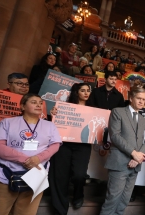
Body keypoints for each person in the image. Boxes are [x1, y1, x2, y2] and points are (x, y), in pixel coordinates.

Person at [0, 93, 61, 215]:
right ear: (23, 106)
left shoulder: (50, 125)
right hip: (5, 176)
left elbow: (55, 145)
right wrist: (26, 159)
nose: (38, 105)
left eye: (40, 103)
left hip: (35, 177)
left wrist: (38, 159)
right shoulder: (7, 123)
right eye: (34, 102)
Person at [100, 87, 145, 215]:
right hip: (119, 163)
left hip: (135, 165)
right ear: (131, 98)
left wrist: (136, 158)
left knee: (124, 202)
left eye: (143, 99)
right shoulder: (118, 112)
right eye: (139, 98)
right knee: (112, 201)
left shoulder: (144, 120)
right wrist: (133, 153)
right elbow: (115, 136)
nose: (141, 102)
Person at [49, 83, 94, 214]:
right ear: (76, 92)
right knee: (60, 176)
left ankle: (78, 193)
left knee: (80, 175)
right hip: (64, 144)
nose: (86, 93)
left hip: (83, 146)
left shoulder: (94, 110)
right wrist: (53, 115)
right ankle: (60, 209)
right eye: (82, 90)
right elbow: (53, 125)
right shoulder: (63, 107)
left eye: (88, 91)